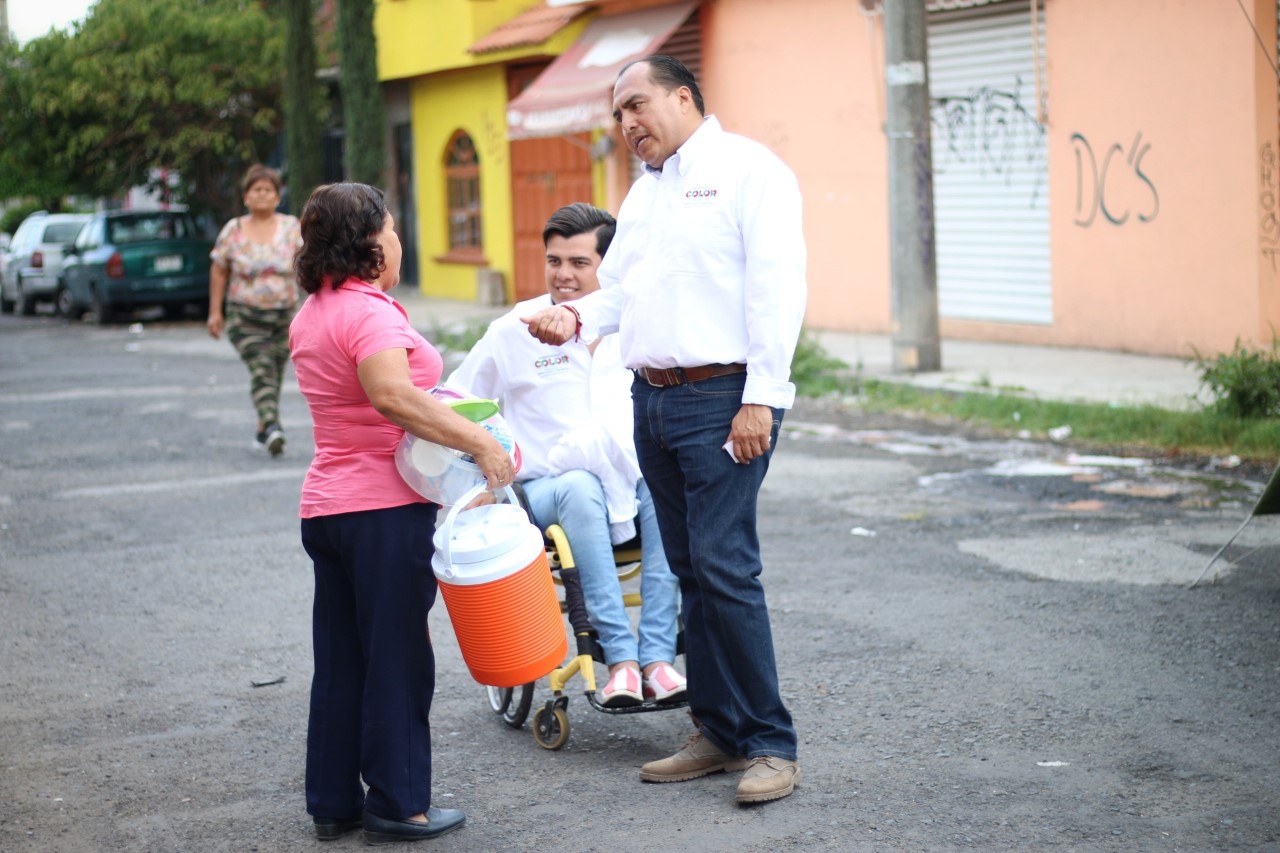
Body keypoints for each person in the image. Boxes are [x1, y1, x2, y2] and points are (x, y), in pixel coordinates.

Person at [522, 56, 807, 805]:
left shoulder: (751, 172)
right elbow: (620, 295)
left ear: (684, 97)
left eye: (637, 105)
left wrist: (762, 397)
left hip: (724, 397)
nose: (627, 124)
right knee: (687, 570)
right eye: (618, 114)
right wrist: (573, 317)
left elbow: (777, 288)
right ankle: (717, 730)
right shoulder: (643, 198)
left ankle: (771, 743)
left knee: (724, 565)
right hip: (651, 400)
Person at [288, 182, 515, 844]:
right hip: (383, 511)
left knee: (341, 658)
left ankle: (333, 801)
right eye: (390, 228)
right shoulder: (371, 313)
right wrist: (477, 440)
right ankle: (400, 803)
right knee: (397, 658)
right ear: (370, 241)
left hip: (327, 508)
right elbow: (390, 394)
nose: (397, 239)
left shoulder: (315, 310)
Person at [448, 202, 685, 709]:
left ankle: (659, 658)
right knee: (580, 484)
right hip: (547, 490)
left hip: (629, 481)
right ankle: (620, 659)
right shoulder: (516, 329)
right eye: (555, 261)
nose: (564, 275)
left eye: (579, 263)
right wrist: (485, 472)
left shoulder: (636, 327)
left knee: (668, 485)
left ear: (610, 265)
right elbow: (455, 401)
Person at [208, 164, 304, 457]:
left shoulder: (292, 228)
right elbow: (219, 270)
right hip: (244, 316)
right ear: (246, 196)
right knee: (262, 367)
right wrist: (215, 312)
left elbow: (308, 266)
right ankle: (274, 427)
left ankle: (264, 428)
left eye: (269, 190)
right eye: (256, 190)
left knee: (273, 371)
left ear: (277, 196)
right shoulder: (233, 230)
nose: (262, 195)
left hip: (284, 316)